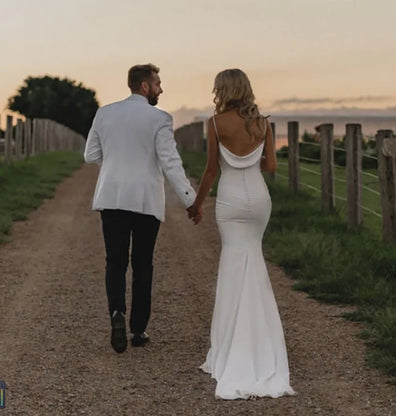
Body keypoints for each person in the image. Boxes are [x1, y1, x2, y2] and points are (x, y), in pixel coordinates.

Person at [187, 69, 295, 399]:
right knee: (255, 264)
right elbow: (272, 167)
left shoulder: (217, 123)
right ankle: (262, 347)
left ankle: (231, 347)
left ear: (223, 90)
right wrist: (251, 164)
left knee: (233, 267)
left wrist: (197, 203)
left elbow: (211, 170)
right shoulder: (262, 123)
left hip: (231, 200)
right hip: (259, 200)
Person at [84, 64, 200, 354]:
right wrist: (191, 200)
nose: (161, 89)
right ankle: (138, 329)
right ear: (145, 86)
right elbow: (170, 162)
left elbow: (90, 155)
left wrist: (116, 162)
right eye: (158, 83)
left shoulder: (104, 113)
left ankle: (116, 314)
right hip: (146, 200)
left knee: (115, 261)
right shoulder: (159, 118)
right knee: (142, 263)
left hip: (111, 197)